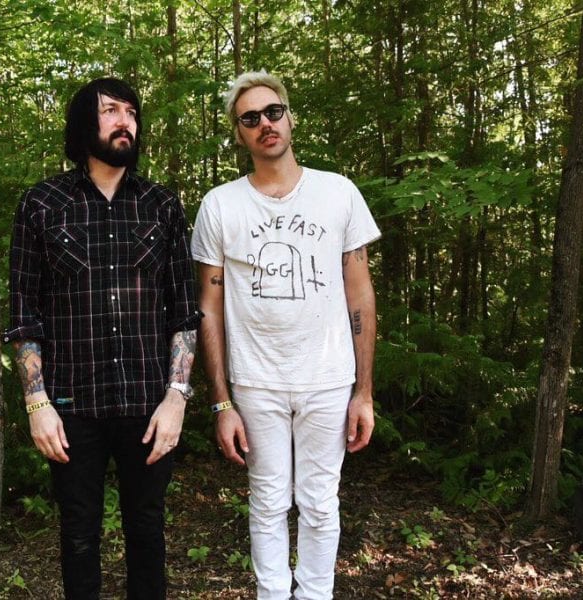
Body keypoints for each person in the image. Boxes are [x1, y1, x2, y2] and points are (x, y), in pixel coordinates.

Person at [3, 77, 200, 600]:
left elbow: (184, 313)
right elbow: (24, 313)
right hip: (71, 406)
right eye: (111, 110)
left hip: (148, 404)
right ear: (82, 124)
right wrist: (37, 403)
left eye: (131, 112)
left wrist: (177, 398)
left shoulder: (162, 205)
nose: (124, 121)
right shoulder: (42, 204)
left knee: (147, 530)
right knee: (78, 535)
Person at [191, 71, 380, 599]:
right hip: (256, 382)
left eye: (273, 112)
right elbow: (209, 307)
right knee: (268, 501)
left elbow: (360, 295)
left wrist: (363, 391)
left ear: (290, 117)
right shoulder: (220, 205)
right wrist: (221, 402)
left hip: (328, 377)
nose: (265, 124)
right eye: (250, 118)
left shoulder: (338, 193)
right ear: (238, 133)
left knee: (320, 502)